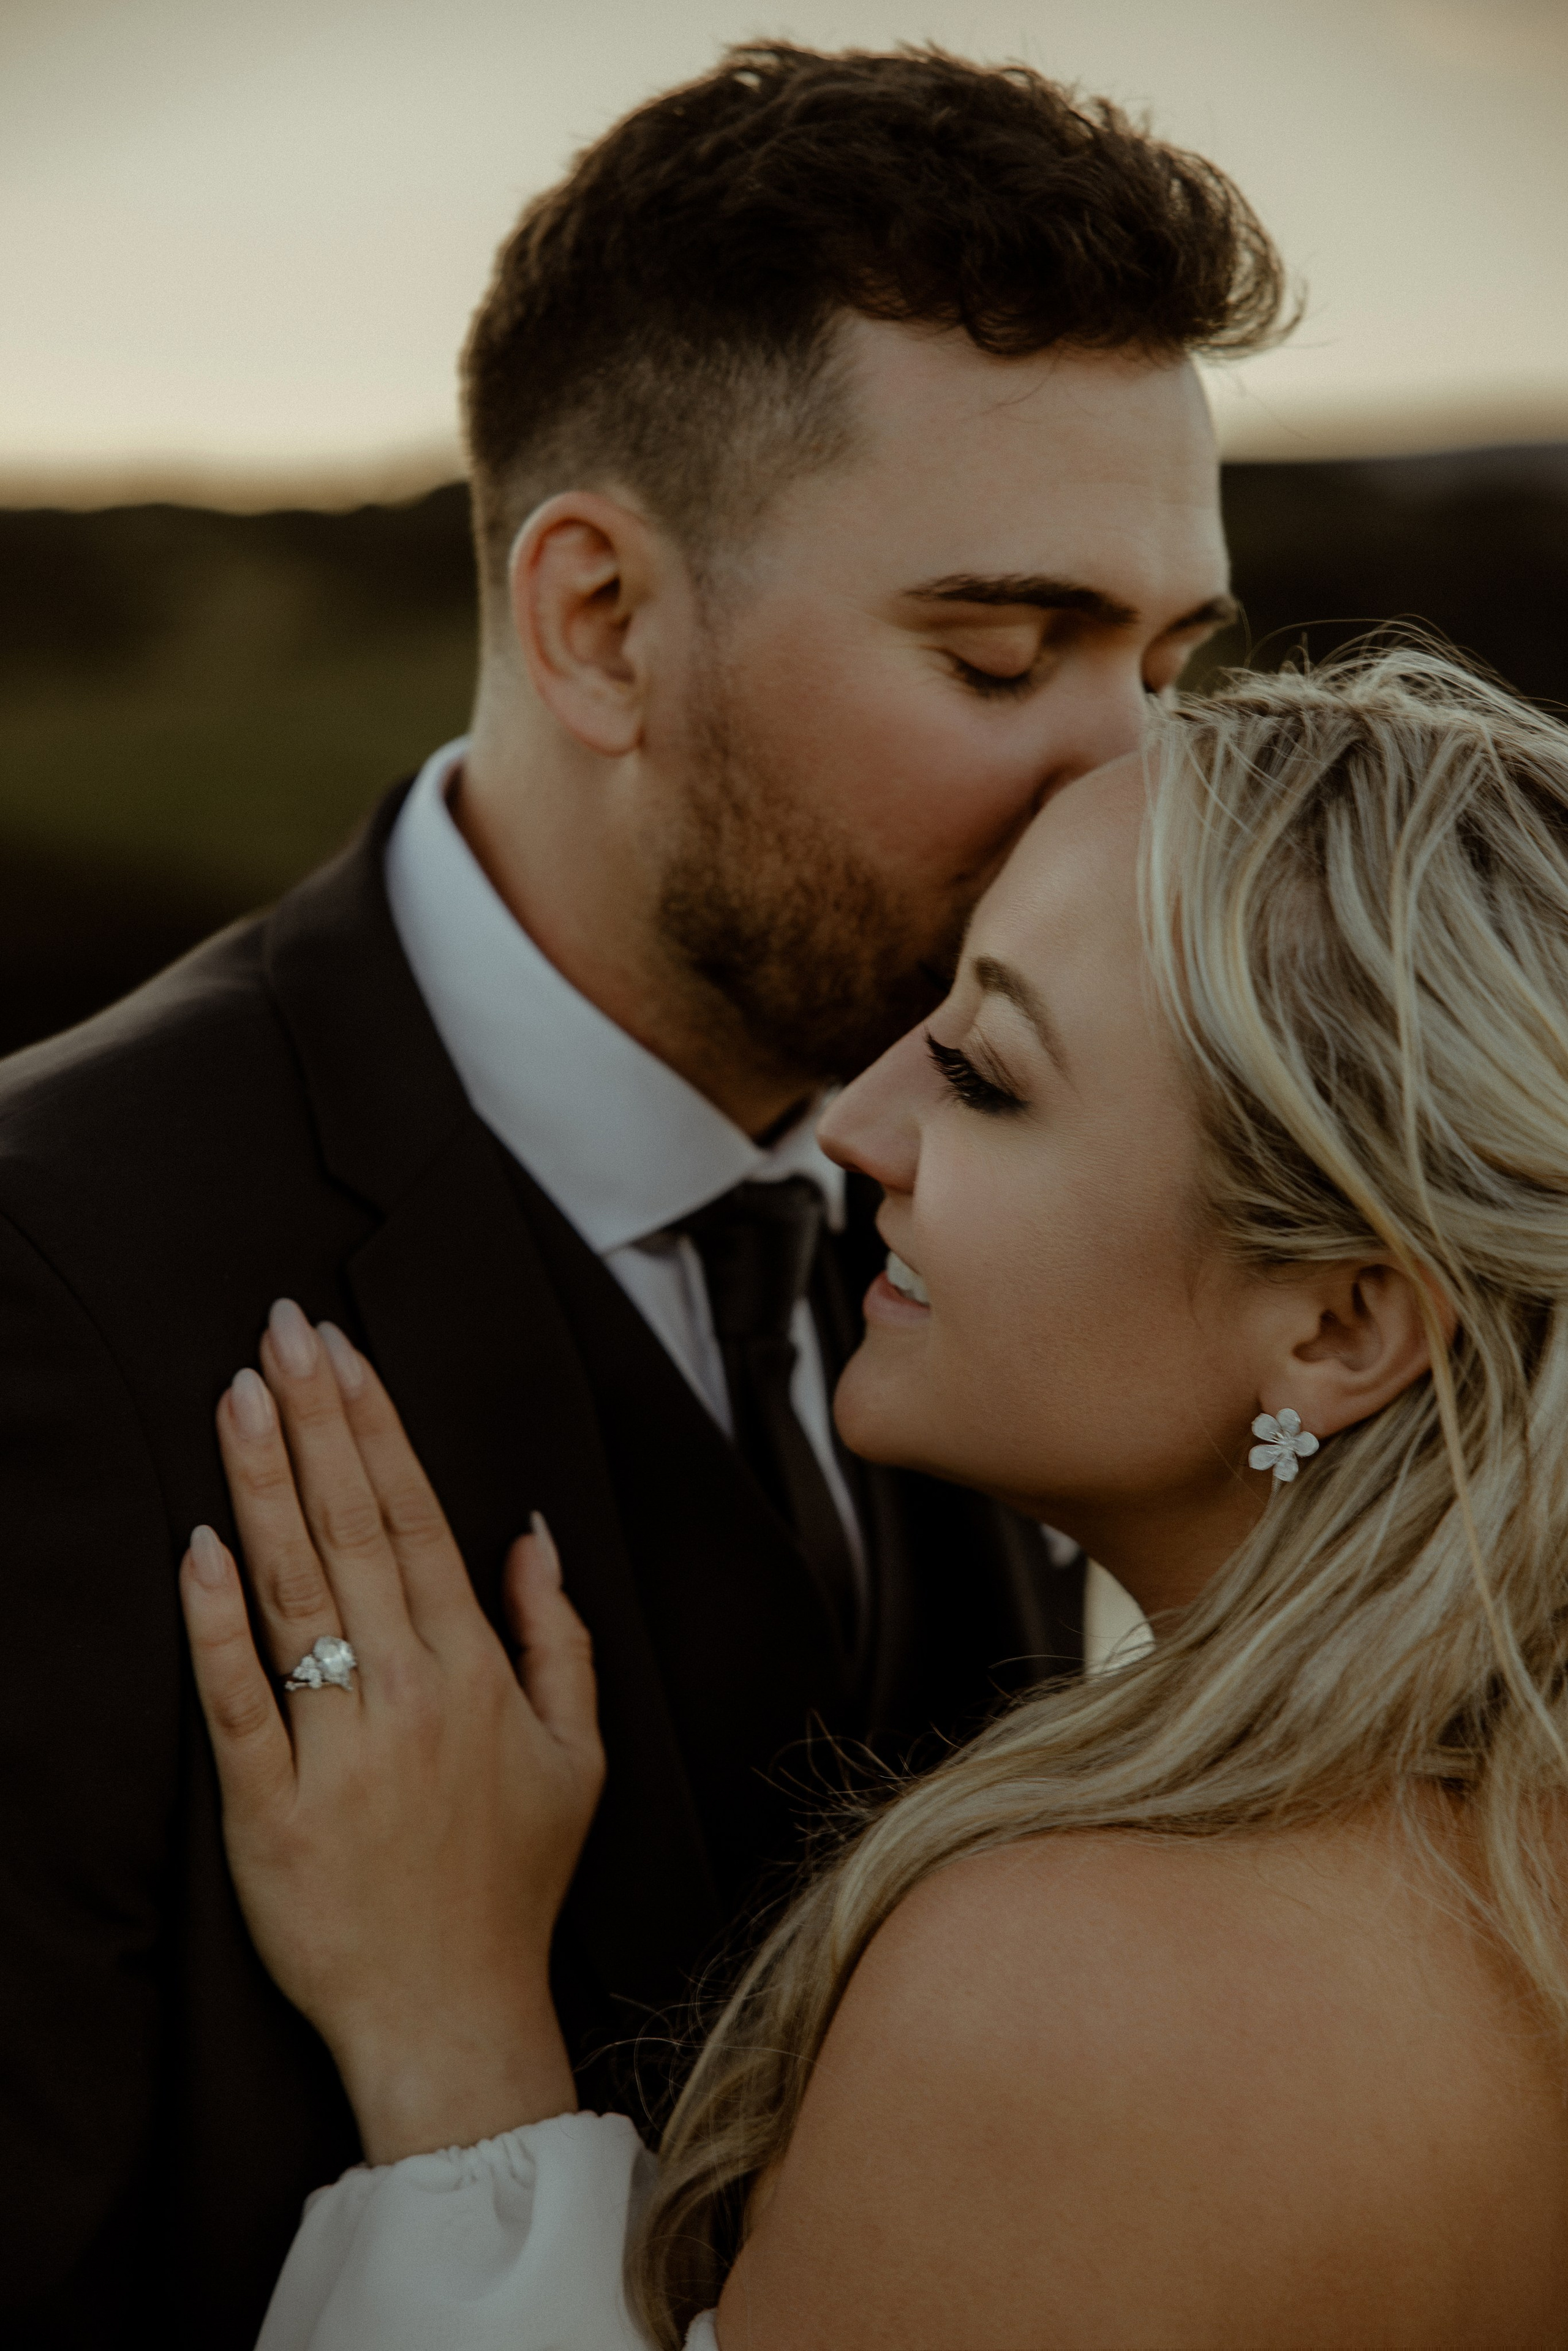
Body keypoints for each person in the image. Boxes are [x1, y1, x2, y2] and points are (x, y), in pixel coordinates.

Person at [0, 42, 1289, 2345]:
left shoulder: (1023, 1229)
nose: (1132, 788)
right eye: (1005, 653)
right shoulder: (51, 1278)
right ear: (596, 620)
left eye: (1171, 663)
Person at [186, 649, 1568, 2347]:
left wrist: (449, 2034)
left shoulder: (1087, 1993)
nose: (859, 1122)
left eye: (987, 1075)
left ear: (1342, 1323)